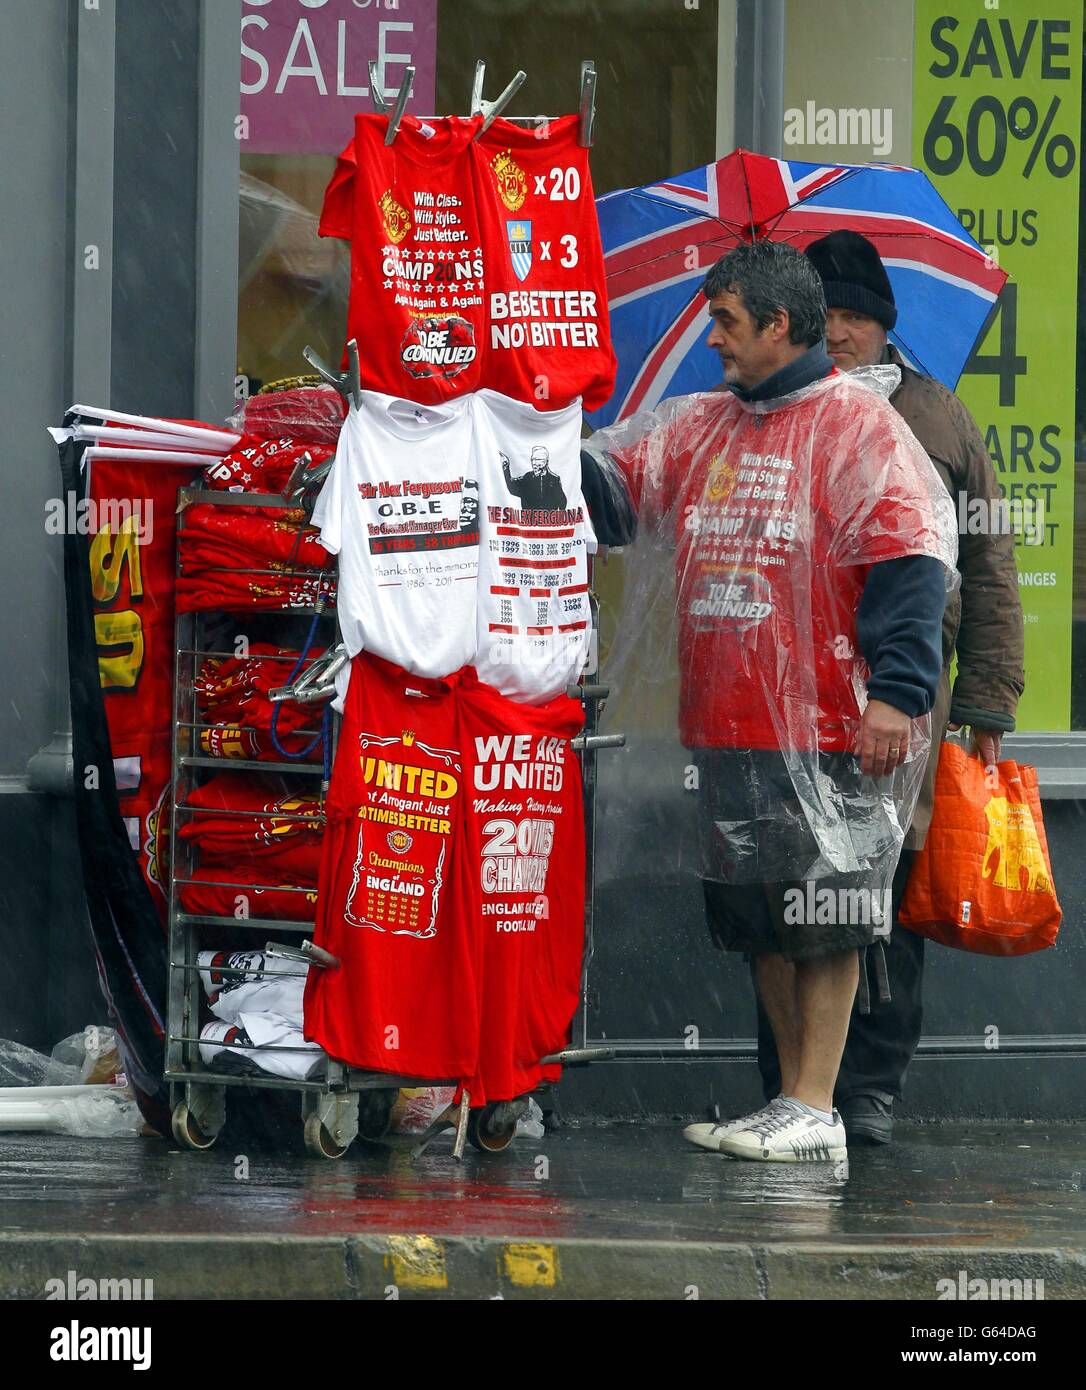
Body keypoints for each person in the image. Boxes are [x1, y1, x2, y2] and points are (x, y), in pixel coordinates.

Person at [582, 240, 957, 1161]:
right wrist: (521, 438)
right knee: (761, 922)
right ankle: (794, 1100)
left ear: (779, 325)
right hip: (728, 726)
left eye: (727, 323)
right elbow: (612, 500)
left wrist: (897, 696)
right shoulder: (699, 425)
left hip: (829, 723)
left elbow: (913, 565)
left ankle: (819, 1102)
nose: (713, 341)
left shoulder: (858, 428)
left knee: (826, 918)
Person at [745, 230, 1024, 1146]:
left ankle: (868, 1087)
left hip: (903, 708)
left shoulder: (939, 418)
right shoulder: (767, 411)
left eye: (858, 316)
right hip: (790, 706)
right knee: (788, 895)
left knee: (883, 903)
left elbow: (988, 565)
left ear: (884, 324)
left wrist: (986, 699)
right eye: (831, 317)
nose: (844, 334)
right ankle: (787, 1085)